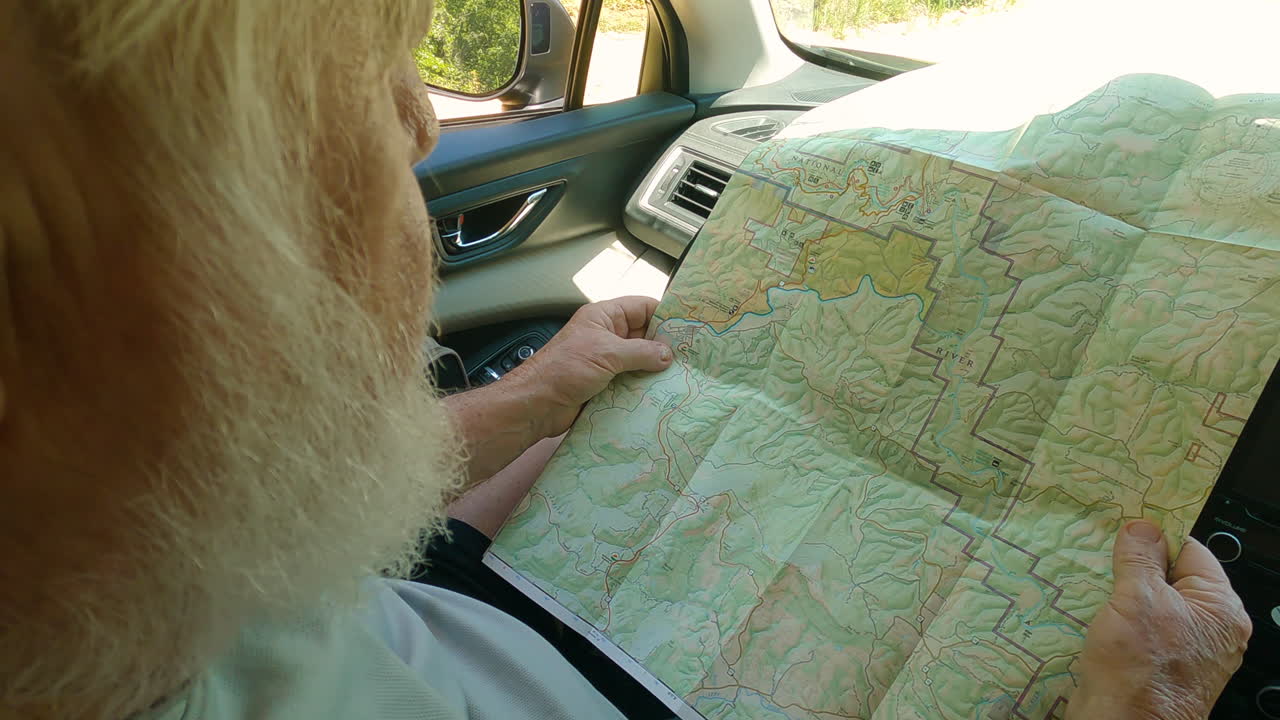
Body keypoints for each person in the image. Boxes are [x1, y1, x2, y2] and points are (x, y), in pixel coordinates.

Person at [0, 1, 1252, 719]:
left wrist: (531, 399)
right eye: (338, 92)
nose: (418, 117)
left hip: (462, 622)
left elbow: (213, 500)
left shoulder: (124, 582)